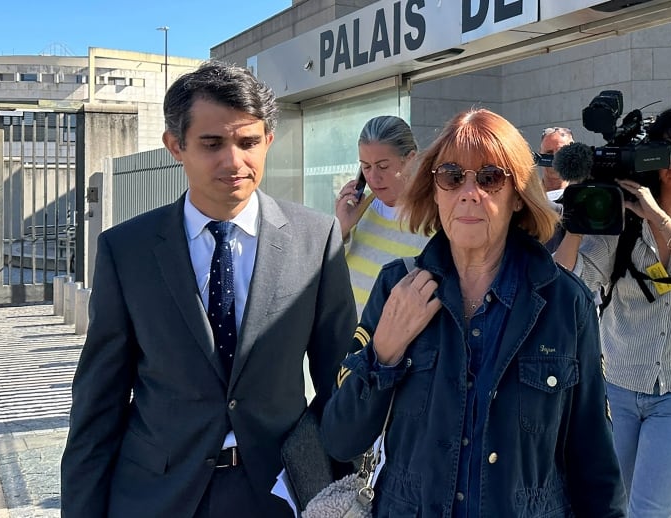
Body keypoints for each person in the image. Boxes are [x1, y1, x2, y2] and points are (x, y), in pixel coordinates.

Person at [60, 60, 357, 518]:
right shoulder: (128, 250)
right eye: (212, 143)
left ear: (268, 141)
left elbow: (339, 383)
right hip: (156, 495)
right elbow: (99, 403)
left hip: (278, 493)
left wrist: (342, 489)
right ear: (175, 146)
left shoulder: (316, 239)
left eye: (248, 142)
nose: (234, 161)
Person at [321, 108, 627, 516]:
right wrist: (384, 352)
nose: (470, 192)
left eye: (490, 178)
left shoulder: (564, 303)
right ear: (434, 191)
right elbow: (341, 439)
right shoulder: (398, 287)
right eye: (451, 176)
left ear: (517, 195)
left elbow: (595, 461)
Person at [553, 107, 671, 517]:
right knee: (606, 504)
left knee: (649, 511)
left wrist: (656, 216)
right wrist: (578, 220)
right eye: (665, 151)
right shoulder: (622, 220)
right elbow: (570, 280)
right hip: (617, 388)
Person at [335, 115, 430, 315]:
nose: (373, 177)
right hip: (347, 344)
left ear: (411, 160)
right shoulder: (357, 211)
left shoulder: (432, 221)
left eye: (383, 166)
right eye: (366, 166)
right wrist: (341, 229)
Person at [539, 126, 574, 201]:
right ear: (540, 154)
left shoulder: (582, 193)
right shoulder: (529, 196)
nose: (555, 159)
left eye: (560, 153)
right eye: (549, 153)